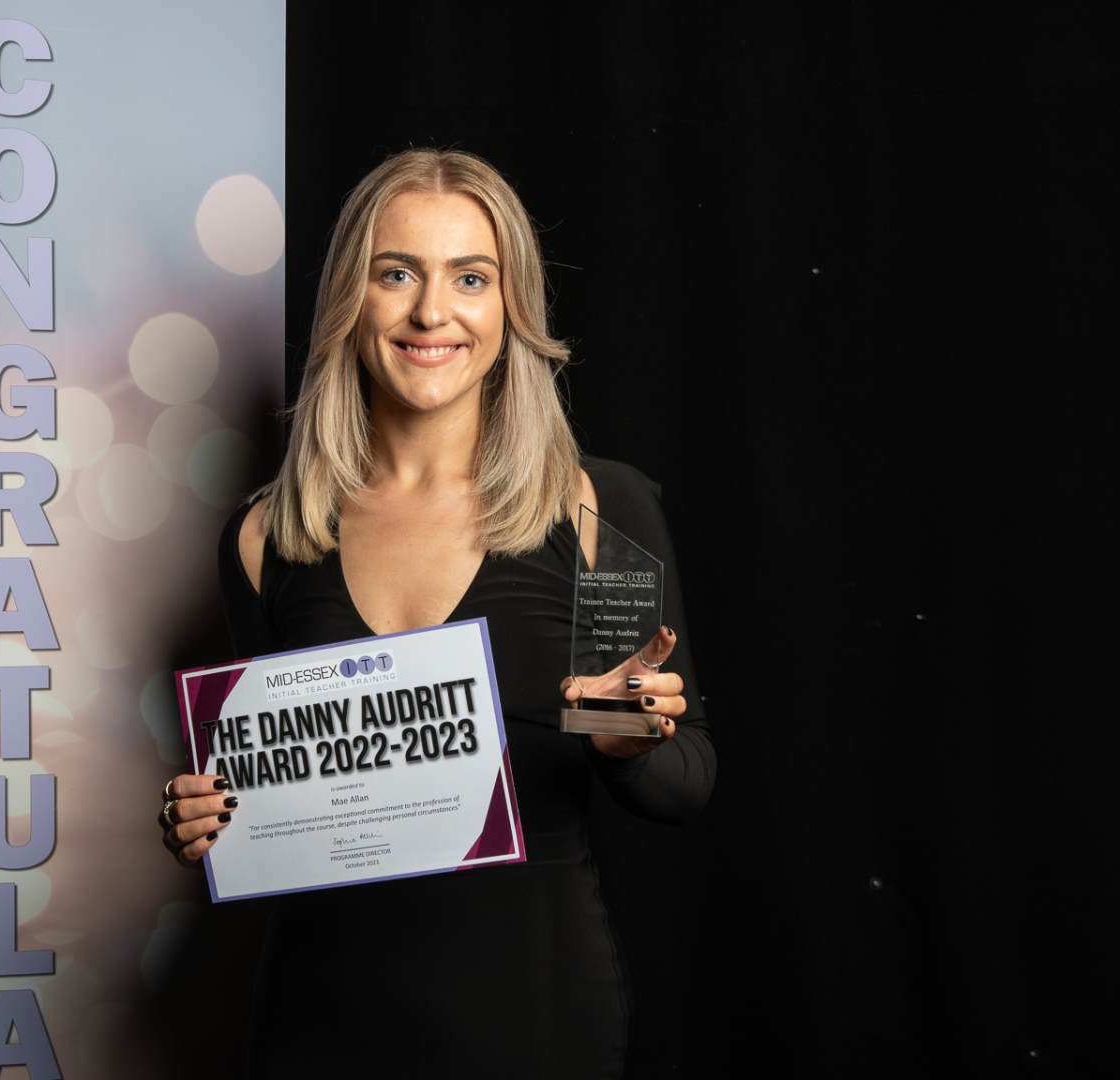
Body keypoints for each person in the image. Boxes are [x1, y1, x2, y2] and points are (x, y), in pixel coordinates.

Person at [155, 147, 716, 1077]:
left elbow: (687, 780)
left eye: (470, 278)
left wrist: (630, 738)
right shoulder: (265, 536)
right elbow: (260, 805)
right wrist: (202, 815)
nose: (431, 312)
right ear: (352, 298)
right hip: (314, 1029)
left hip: (536, 1027)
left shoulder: (597, 508)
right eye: (397, 274)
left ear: (511, 307)